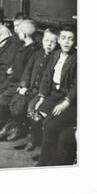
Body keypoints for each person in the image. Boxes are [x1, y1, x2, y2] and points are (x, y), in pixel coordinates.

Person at [0, 19, 38, 141]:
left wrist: (22, 85)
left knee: (5, 97)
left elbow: (28, 71)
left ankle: (12, 126)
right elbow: (16, 63)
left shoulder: (32, 50)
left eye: (19, 31)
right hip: (12, 78)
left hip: (20, 82)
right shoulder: (23, 46)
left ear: (24, 34)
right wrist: (11, 69)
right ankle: (2, 123)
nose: (17, 33)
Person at [34, 26, 77, 166]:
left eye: (70, 39)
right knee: (37, 114)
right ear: (58, 40)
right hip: (54, 94)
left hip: (70, 100)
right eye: (63, 38)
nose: (66, 42)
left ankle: (45, 161)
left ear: (75, 41)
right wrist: (41, 97)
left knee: (50, 124)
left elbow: (79, 85)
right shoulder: (56, 54)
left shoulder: (77, 58)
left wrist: (66, 102)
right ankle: (48, 154)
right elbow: (47, 76)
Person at [11, 28, 59, 151]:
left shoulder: (56, 57)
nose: (49, 44)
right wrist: (24, 85)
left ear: (57, 43)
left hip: (43, 93)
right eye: (46, 40)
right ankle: (20, 128)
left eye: (52, 42)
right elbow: (28, 70)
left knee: (32, 111)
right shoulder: (37, 54)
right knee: (16, 105)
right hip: (31, 88)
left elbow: (49, 80)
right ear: (42, 40)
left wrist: (42, 94)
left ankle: (33, 137)